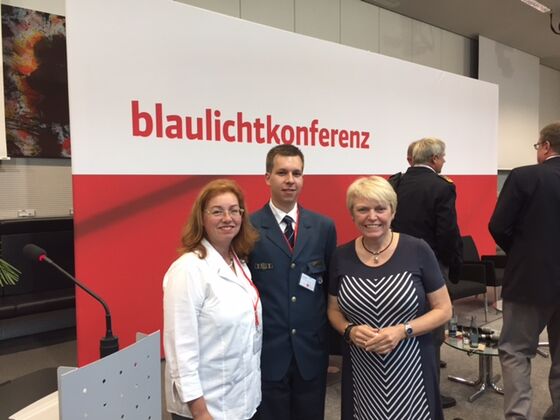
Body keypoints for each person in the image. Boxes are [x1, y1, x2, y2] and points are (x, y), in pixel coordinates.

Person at [328, 176, 452, 420]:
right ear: (352, 214)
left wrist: (401, 330)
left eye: (380, 208)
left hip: (411, 365)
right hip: (361, 368)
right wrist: (349, 330)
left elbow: (444, 309)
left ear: (393, 212)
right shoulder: (341, 256)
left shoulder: (418, 249)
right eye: (362, 209)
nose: (372, 216)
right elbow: (333, 309)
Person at [249, 144, 337, 420]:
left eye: (297, 173)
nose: (290, 180)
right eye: (282, 172)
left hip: (310, 352)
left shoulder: (323, 227)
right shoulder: (248, 228)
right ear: (267, 178)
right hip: (268, 353)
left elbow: (330, 288)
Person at [163, 179, 261, 420]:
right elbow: (180, 350)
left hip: (242, 399)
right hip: (207, 409)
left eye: (234, 210)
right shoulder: (188, 270)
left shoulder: (239, 264)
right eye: (217, 211)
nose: (227, 218)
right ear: (202, 218)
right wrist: (200, 412)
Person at [488, 122, 560, 419]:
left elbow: (498, 226)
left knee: (516, 352)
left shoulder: (523, 176)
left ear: (544, 146)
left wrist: (521, 251)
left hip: (529, 281)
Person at [388, 137, 462, 409]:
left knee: (400, 324)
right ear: (434, 159)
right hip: (428, 267)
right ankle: (429, 391)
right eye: (443, 157)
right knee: (431, 329)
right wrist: (453, 264)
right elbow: (447, 233)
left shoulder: (394, 182)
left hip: (393, 263)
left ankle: (397, 385)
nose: (444, 162)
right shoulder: (442, 188)